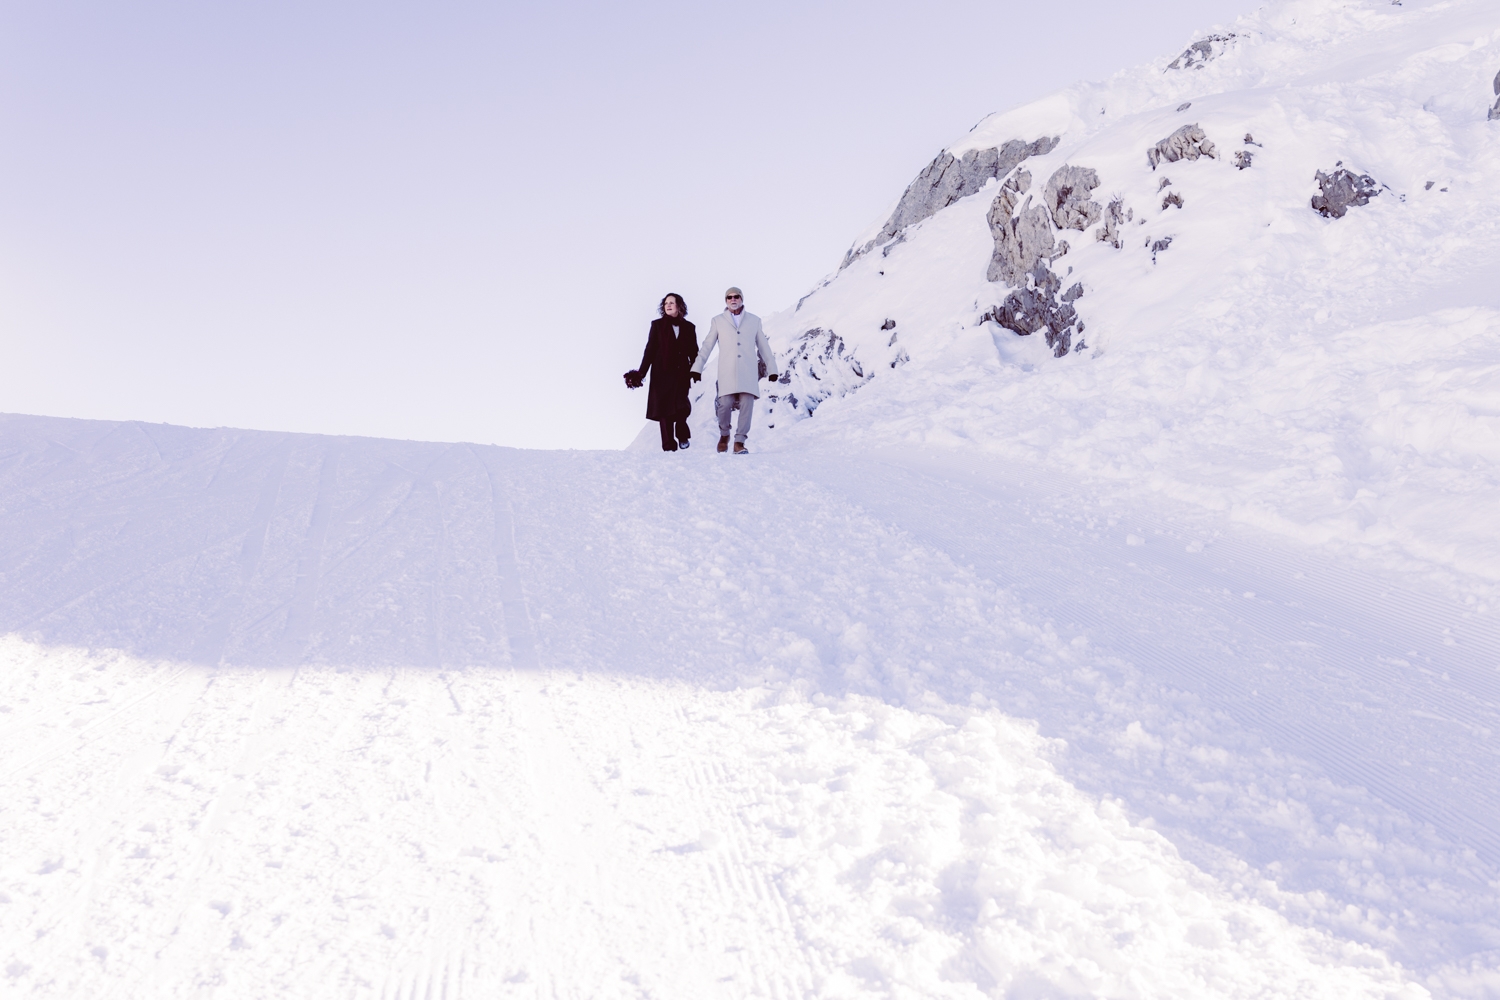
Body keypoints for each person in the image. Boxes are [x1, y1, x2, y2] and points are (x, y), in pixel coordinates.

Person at [689, 287, 778, 455]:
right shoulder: (717, 321)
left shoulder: (754, 321)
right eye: (729, 297)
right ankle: (724, 435)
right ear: (726, 301)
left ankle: (739, 442)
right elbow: (707, 346)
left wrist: (772, 369)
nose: (733, 299)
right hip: (726, 372)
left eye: (736, 296)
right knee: (724, 405)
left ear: (742, 299)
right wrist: (697, 368)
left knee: (746, 405)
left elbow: (764, 347)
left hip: (747, 372)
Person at [624, 293, 698, 451]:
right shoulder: (657, 325)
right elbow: (649, 350)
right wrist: (640, 373)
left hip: (681, 374)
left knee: (682, 406)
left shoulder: (689, 327)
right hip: (661, 374)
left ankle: (682, 434)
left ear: (679, 306)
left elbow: (694, 351)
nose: (668, 305)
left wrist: (696, 370)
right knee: (664, 412)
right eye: (666, 303)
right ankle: (668, 446)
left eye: (672, 302)